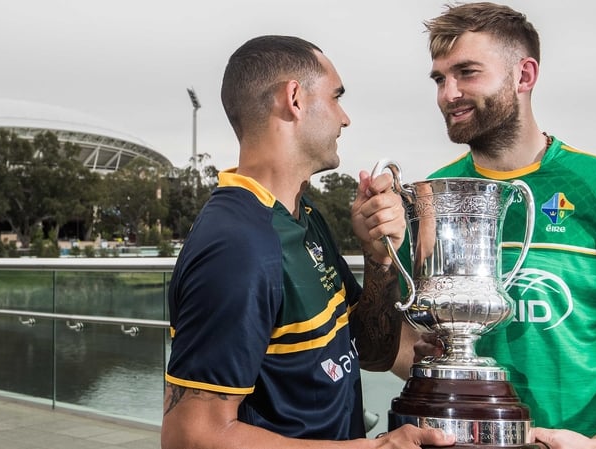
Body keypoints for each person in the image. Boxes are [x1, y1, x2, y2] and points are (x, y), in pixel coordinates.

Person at [403, 3, 596, 449]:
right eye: (439, 79)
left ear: (524, 76)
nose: (449, 94)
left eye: (467, 73)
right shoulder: (434, 199)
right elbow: (405, 346)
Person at [161, 35, 454, 449]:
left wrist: (378, 258)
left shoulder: (303, 215)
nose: (345, 118)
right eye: (336, 97)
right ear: (295, 99)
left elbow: (370, 350)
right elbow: (189, 436)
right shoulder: (235, 246)